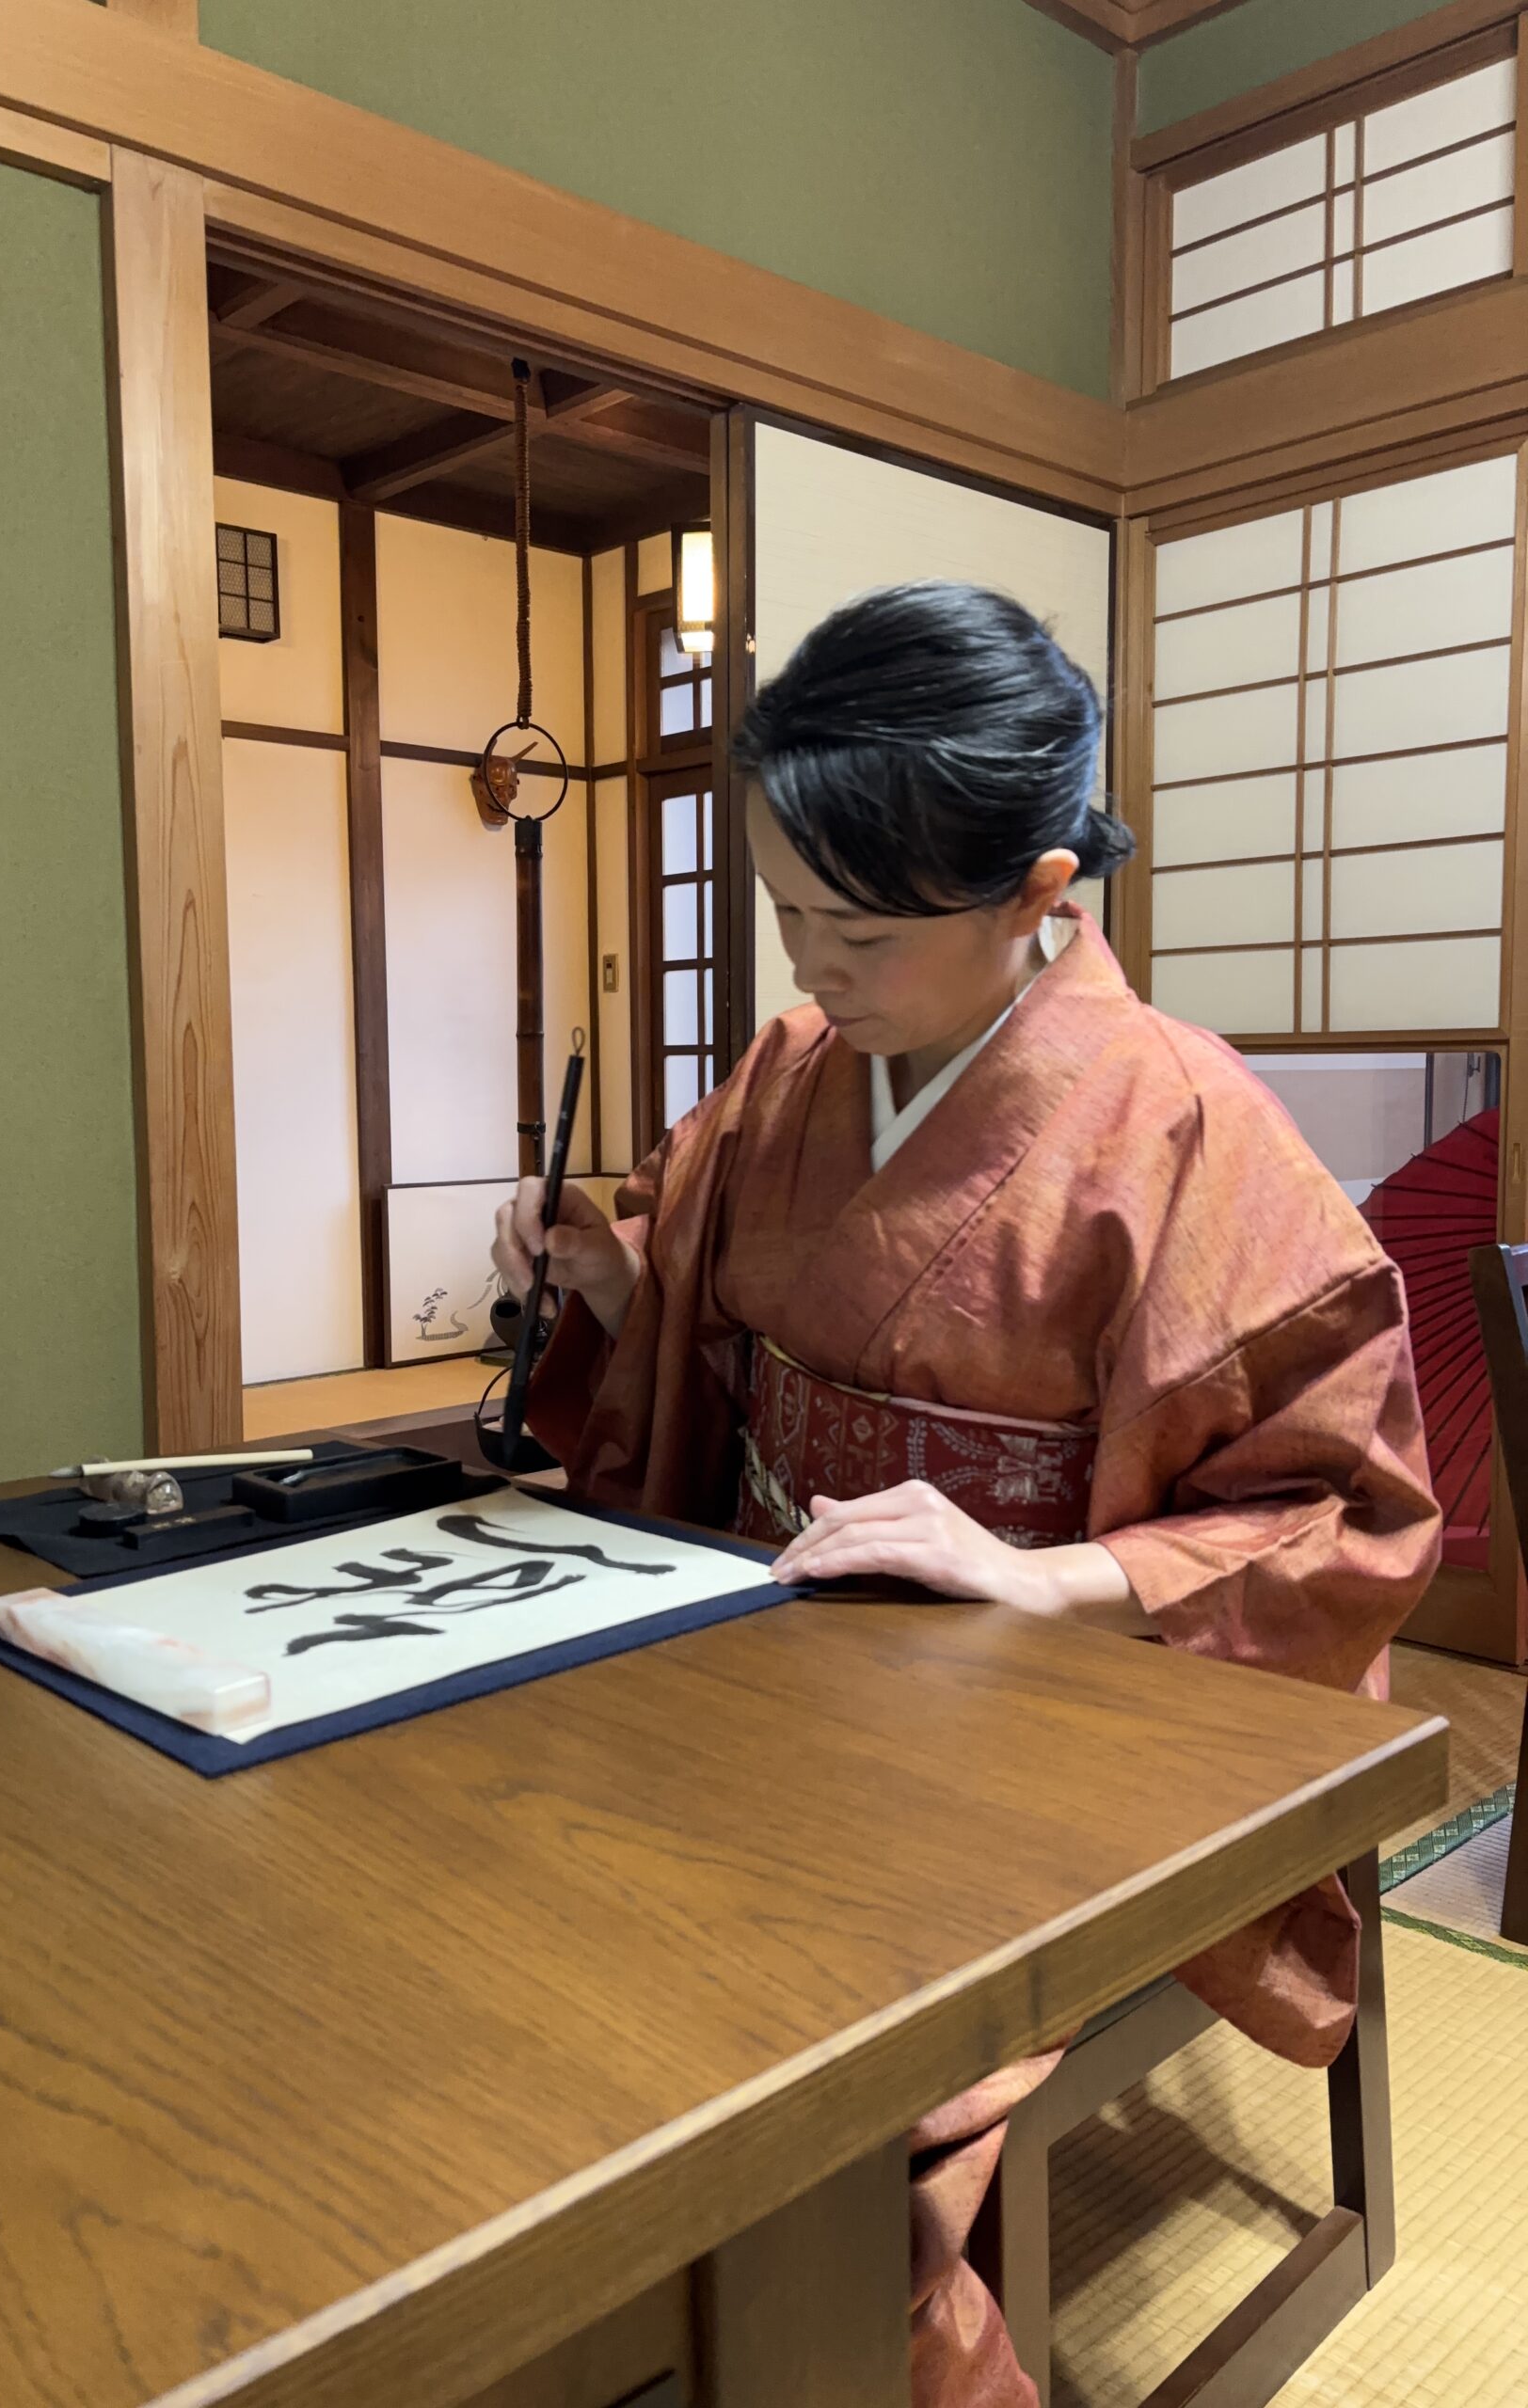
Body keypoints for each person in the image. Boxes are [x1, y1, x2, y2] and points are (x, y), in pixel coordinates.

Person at [491, 579, 1440, 2406]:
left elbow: (1338, 1513)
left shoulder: (1189, 1126)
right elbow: (701, 1351)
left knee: (825, 2121)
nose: (806, 974)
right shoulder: (789, 1075)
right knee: (535, 1941)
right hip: (770, 1667)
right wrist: (620, 1289)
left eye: (850, 927)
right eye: (782, 914)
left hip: (1052, 1723)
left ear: (1045, 893)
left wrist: (1046, 1578)